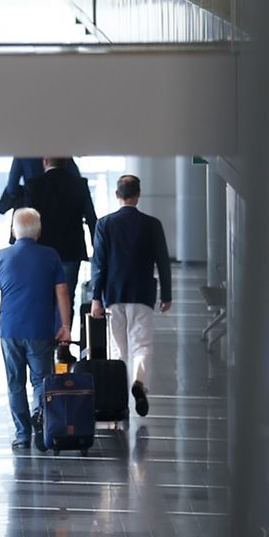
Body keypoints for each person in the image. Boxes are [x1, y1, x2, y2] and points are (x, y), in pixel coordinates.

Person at [0, 208, 72, 448]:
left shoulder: (1, 256)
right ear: (39, 231)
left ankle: (22, 434)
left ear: (14, 230)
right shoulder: (51, 255)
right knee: (41, 380)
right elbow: (62, 292)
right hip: (41, 328)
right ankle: (40, 415)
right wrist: (66, 325)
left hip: (10, 329)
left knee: (15, 382)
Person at [89, 175, 172, 416]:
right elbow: (163, 262)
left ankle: (119, 396)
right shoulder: (152, 224)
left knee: (118, 348)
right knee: (142, 345)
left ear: (117, 195)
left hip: (113, 294)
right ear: (138, 195)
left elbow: (99, 264)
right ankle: (139, 383)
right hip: (143, 292)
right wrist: (166, 294)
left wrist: (96, 297)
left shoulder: (104, 224)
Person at [22, 157, 97, 328]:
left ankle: (44, 342)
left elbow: (27, 219)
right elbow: (92, 218)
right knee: (66, 297)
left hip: (40, 252)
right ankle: (63, 346)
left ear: (46, 161)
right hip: (71, 250)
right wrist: (97, 247)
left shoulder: (34, 185)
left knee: (41, 297)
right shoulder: (79, 184)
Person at [0, 157, 82, 215]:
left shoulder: (22, 154)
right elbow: (77, 183)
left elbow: (12, 189)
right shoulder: (61, 151)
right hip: (61, 213)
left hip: (33, 214)